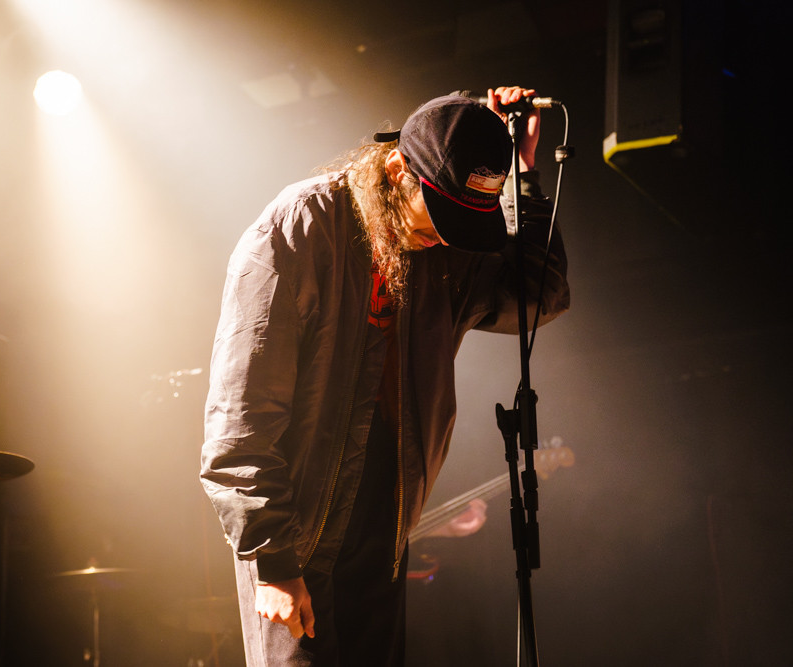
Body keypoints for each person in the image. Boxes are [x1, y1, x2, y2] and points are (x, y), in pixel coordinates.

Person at [200, 86, 570, 666]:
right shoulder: (302, 227)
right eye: (438, 220)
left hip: (384, 535)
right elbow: (241, 416)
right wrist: (272, 562)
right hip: (295, 541)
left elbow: (538, 294)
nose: (443, 237)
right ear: (398, 170)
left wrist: (522, 176)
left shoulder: (445, 249)